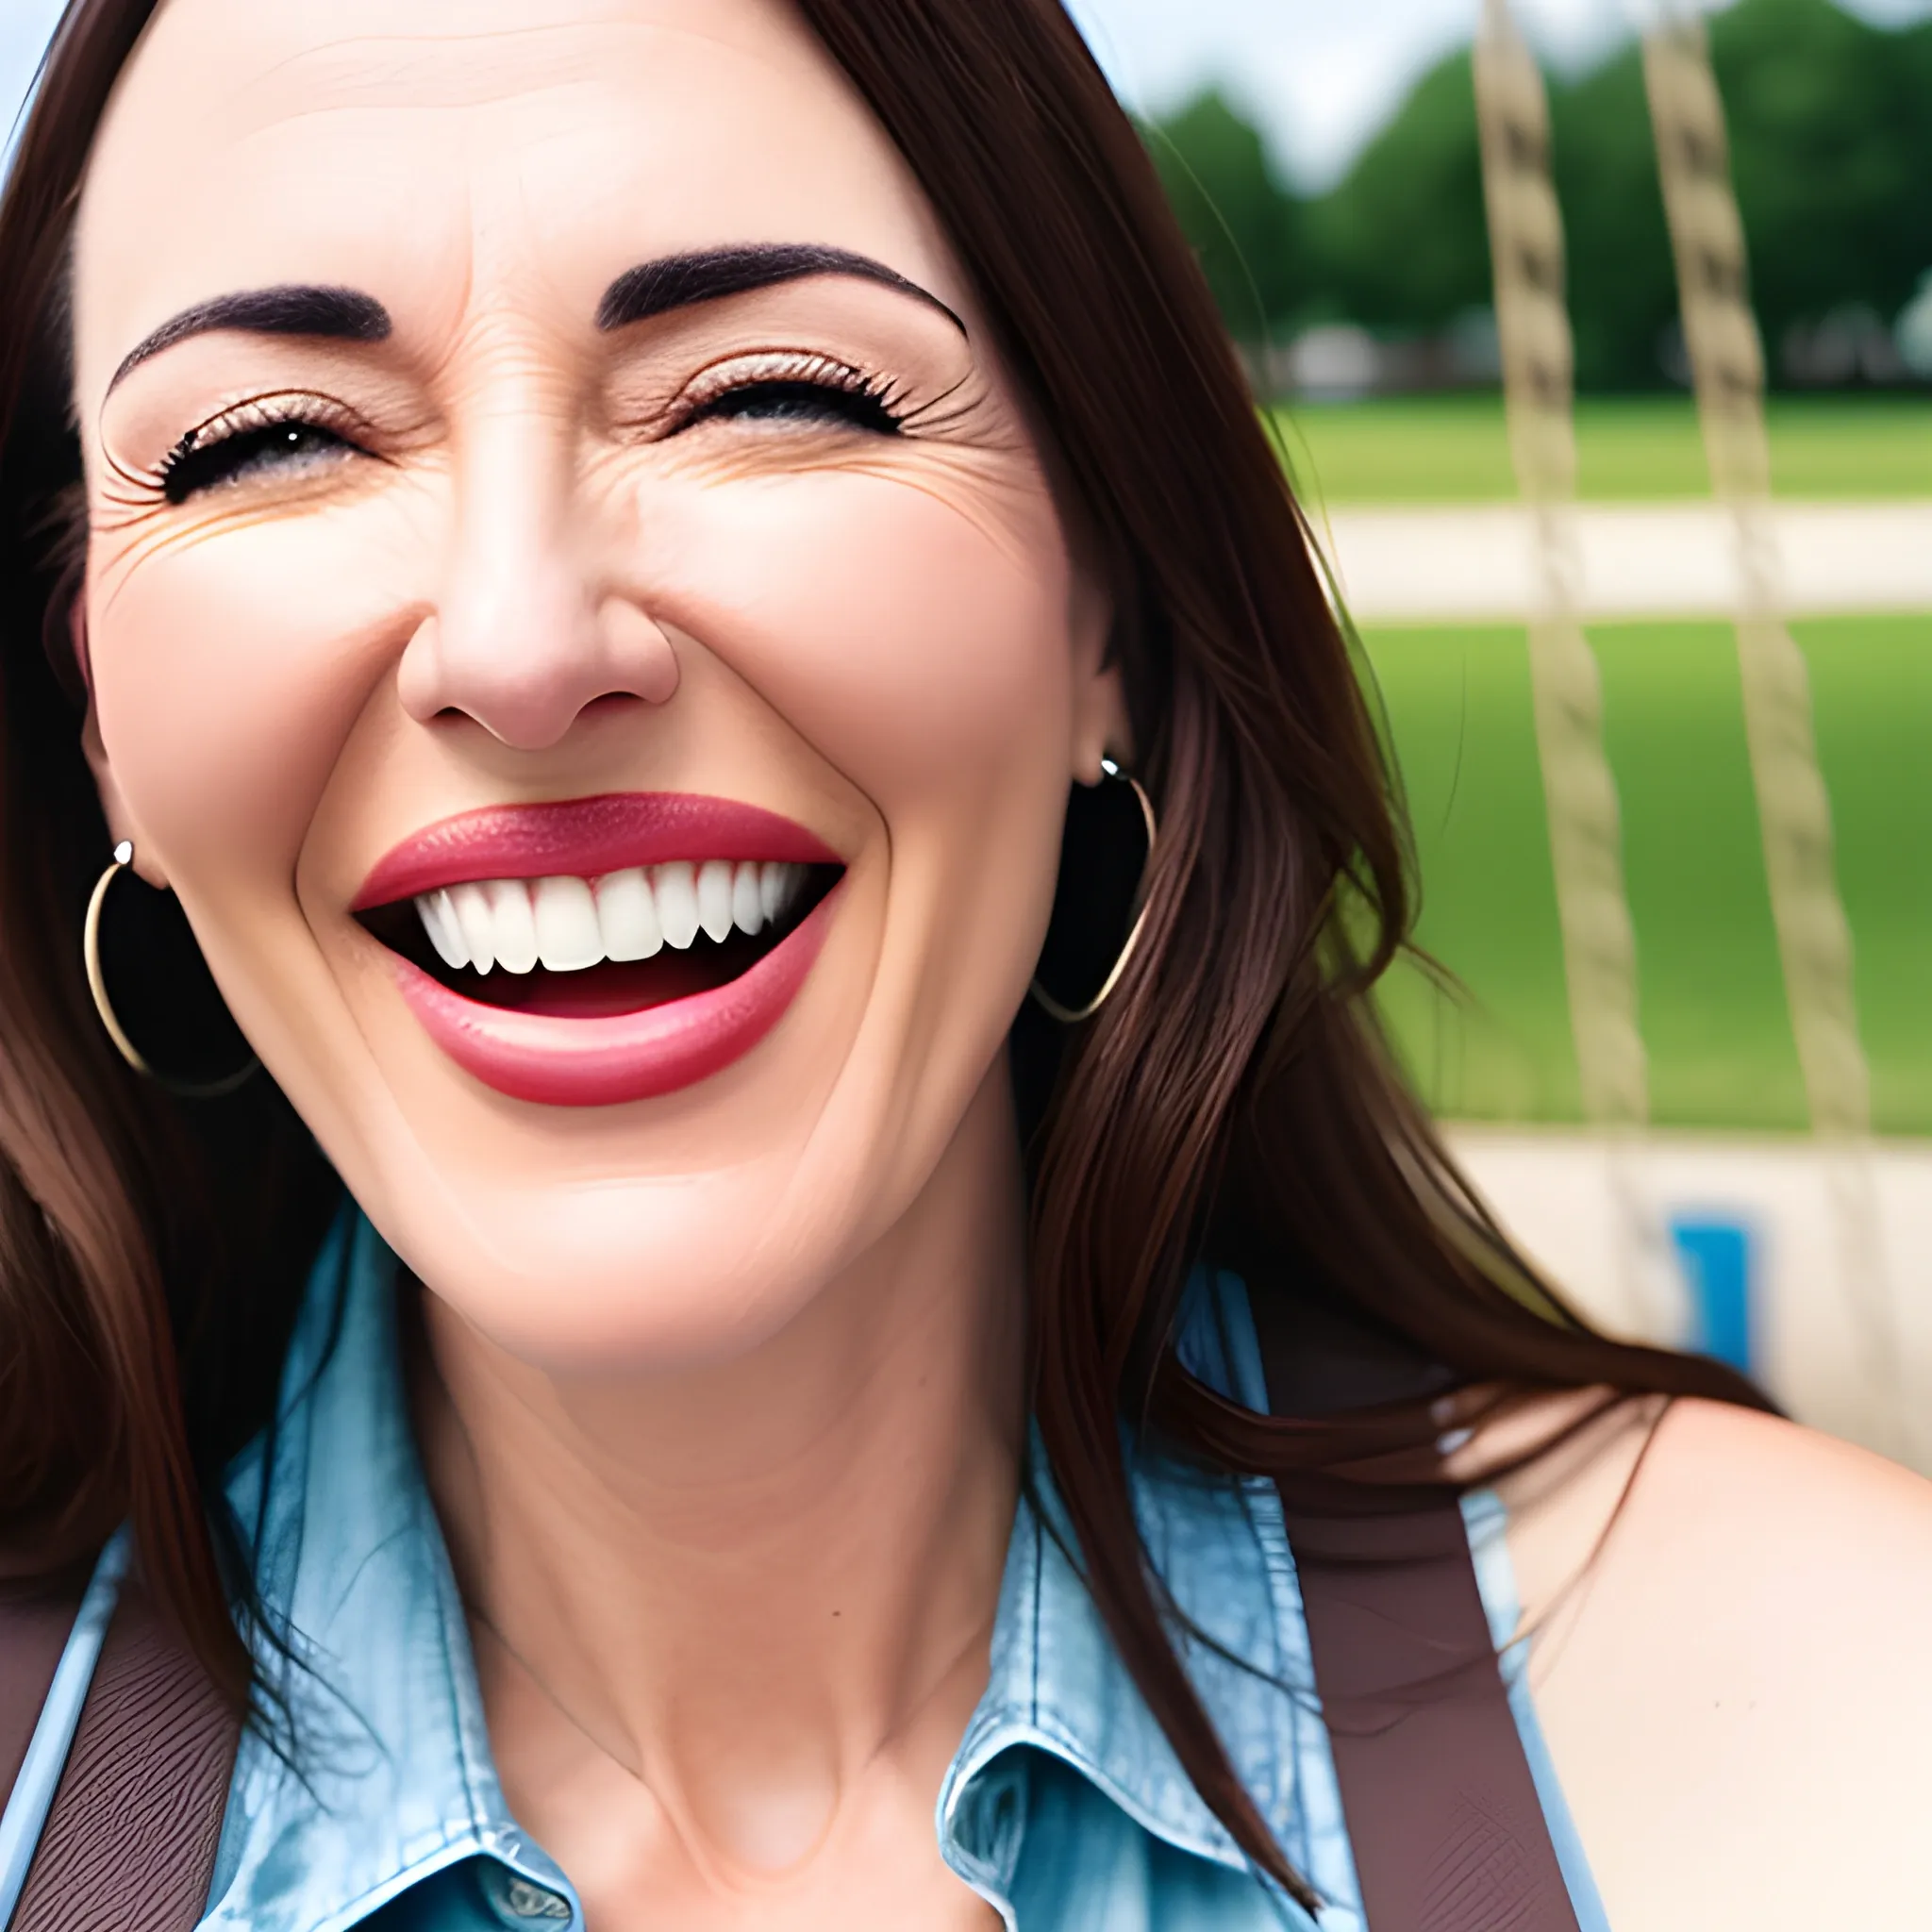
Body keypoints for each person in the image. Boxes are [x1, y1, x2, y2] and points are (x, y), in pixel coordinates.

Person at [1, 0, 1929, 1926]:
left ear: (1102, 580)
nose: (519, 642)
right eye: (265, 442)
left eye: (773, 394)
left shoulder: (1840, 1742)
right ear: (99, 707)